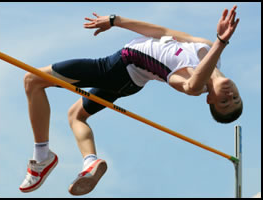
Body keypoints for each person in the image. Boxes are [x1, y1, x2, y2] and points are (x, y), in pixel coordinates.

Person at [19, 5, 242, 195]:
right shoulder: (207, 48)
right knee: (75, 115)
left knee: (32, 80)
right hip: (125, 77)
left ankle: (41, 158)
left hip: (116, 69)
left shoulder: (195, 84)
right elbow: (162, 31)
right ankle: (90, 162)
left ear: (210, 99)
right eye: (235, 98)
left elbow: (192, 84)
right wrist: (116, 21)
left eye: (225, 102)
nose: (229, 96)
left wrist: (221, 41)